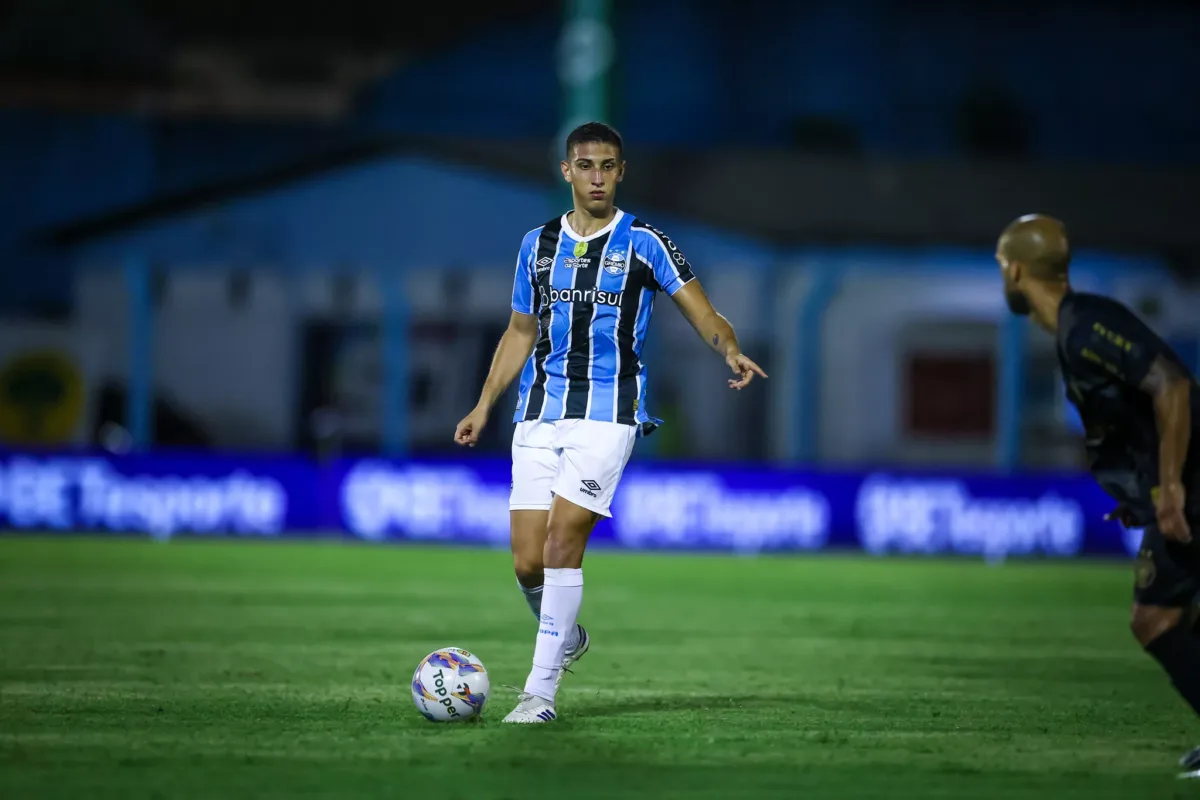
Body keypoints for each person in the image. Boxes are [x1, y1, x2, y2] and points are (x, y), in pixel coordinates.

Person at [453, 122, 766, 724]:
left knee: (561, 545)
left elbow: (704, 312)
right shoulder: (536, 245)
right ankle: (567, 636)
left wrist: (728, 348)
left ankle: (539, 694)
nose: (596, 177)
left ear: (621, 172)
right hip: (539, 411)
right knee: (527, 562)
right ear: (566, 171)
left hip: (609, 413)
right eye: (585, 165)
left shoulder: (645, 242)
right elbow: (519, 331)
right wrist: (484, 403)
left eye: (607, 166)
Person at [997, 213, 1200, 777]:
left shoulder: (1085, 324)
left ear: (1016, 271)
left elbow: (1173, 385)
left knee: (1155, 619)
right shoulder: (1074, 330)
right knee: (1178, 615)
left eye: (1002, 266)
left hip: (1192, 487)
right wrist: (1140, 491)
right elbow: (1138, 413)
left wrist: (1171, 487)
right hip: (1181, 486)